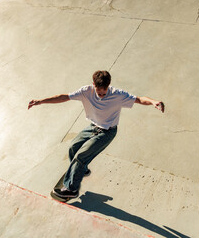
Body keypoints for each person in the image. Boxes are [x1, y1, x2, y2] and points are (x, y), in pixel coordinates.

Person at [28, 70, 164, 199]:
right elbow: (64, 97)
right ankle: (82, 170)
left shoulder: (118, 95)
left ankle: (71, 190)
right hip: (93, 127)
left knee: (81, 156)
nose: (101, 95)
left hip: (107, 132)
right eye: (99, 92)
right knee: (73, 147)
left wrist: (153, 102)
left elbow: (139, 99)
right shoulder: (86, 91)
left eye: (104, 93)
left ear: (108, 86)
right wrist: (40, 101)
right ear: (93, 84)